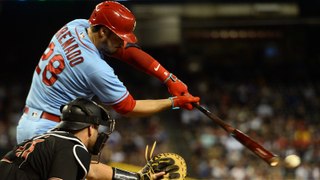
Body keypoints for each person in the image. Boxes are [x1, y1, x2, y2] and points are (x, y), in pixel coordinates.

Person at [16, 1, 200, 143]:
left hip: (30, 122)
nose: (123, 42)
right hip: (50, 131)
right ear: (103, 32)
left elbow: (125, 51)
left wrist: (168, 78)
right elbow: (128, 107)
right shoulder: (95, 68)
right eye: (119, 37)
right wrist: (174, 102)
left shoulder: (75, 26)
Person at [1, 98, 165, 180]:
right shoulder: (72, 148)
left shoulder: (49, 139)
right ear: (90, 128)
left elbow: (92, 170)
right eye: (98, 128)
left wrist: (138, 177)